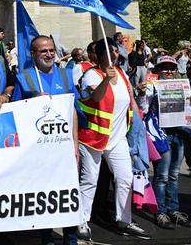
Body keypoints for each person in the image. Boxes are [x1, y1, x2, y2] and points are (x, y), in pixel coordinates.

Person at [77, 38, 150, 241]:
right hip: (93, 137)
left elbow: (130, 101)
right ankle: (81, 221)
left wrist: (139, 126)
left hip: (117, 137)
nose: (114, 54)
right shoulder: (91, 75)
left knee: (125, 178)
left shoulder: (122, 73)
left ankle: (124, 220)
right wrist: (105, 80)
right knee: (90, 179)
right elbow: (96, 98)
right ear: (100, 55)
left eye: (116, 51)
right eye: (109, 51)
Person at [12, 36, 79, 245]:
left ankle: (71, 237)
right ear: (33, 54)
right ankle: (46, 238)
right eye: (44, 51)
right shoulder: (25, 78)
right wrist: (32, 103)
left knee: (68, 195)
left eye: (51, 50)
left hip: (64, 147)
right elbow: (16, 112)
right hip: (39, 150)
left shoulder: (66, 76)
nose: (49, 54)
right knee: (44, 196)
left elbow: (73, 112)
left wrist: (75, 145)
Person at [135, 55, 191, 229]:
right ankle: (160, 212)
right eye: (164, 68)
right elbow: (143, 108)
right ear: (158, 71)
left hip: (179, 132)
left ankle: (173, 210)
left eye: (171, 68)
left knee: (174, 175)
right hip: (161, 134)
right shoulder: (153, 87)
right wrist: (142, 93)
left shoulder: (184, 86)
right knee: (161, 176)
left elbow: (190, 109)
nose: (168, 72)